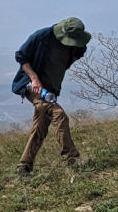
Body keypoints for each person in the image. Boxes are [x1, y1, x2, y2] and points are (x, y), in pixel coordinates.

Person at [11, 17, 91, 175]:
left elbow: (78, 53)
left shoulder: (76, 45)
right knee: (59, 114)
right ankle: (71, 158)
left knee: (40, 127)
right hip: (32, 86)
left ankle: (24, 166)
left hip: (51, 90)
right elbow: (21, 57)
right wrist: (34, 79)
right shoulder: (41, 37)